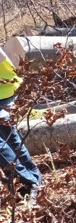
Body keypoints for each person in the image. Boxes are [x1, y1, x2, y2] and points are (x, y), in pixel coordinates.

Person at [1, 48, 42, 203]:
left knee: (5, 140)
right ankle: (33, 180)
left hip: (4, 89)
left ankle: (28, 182)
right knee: (10, 137)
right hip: (8, 87)